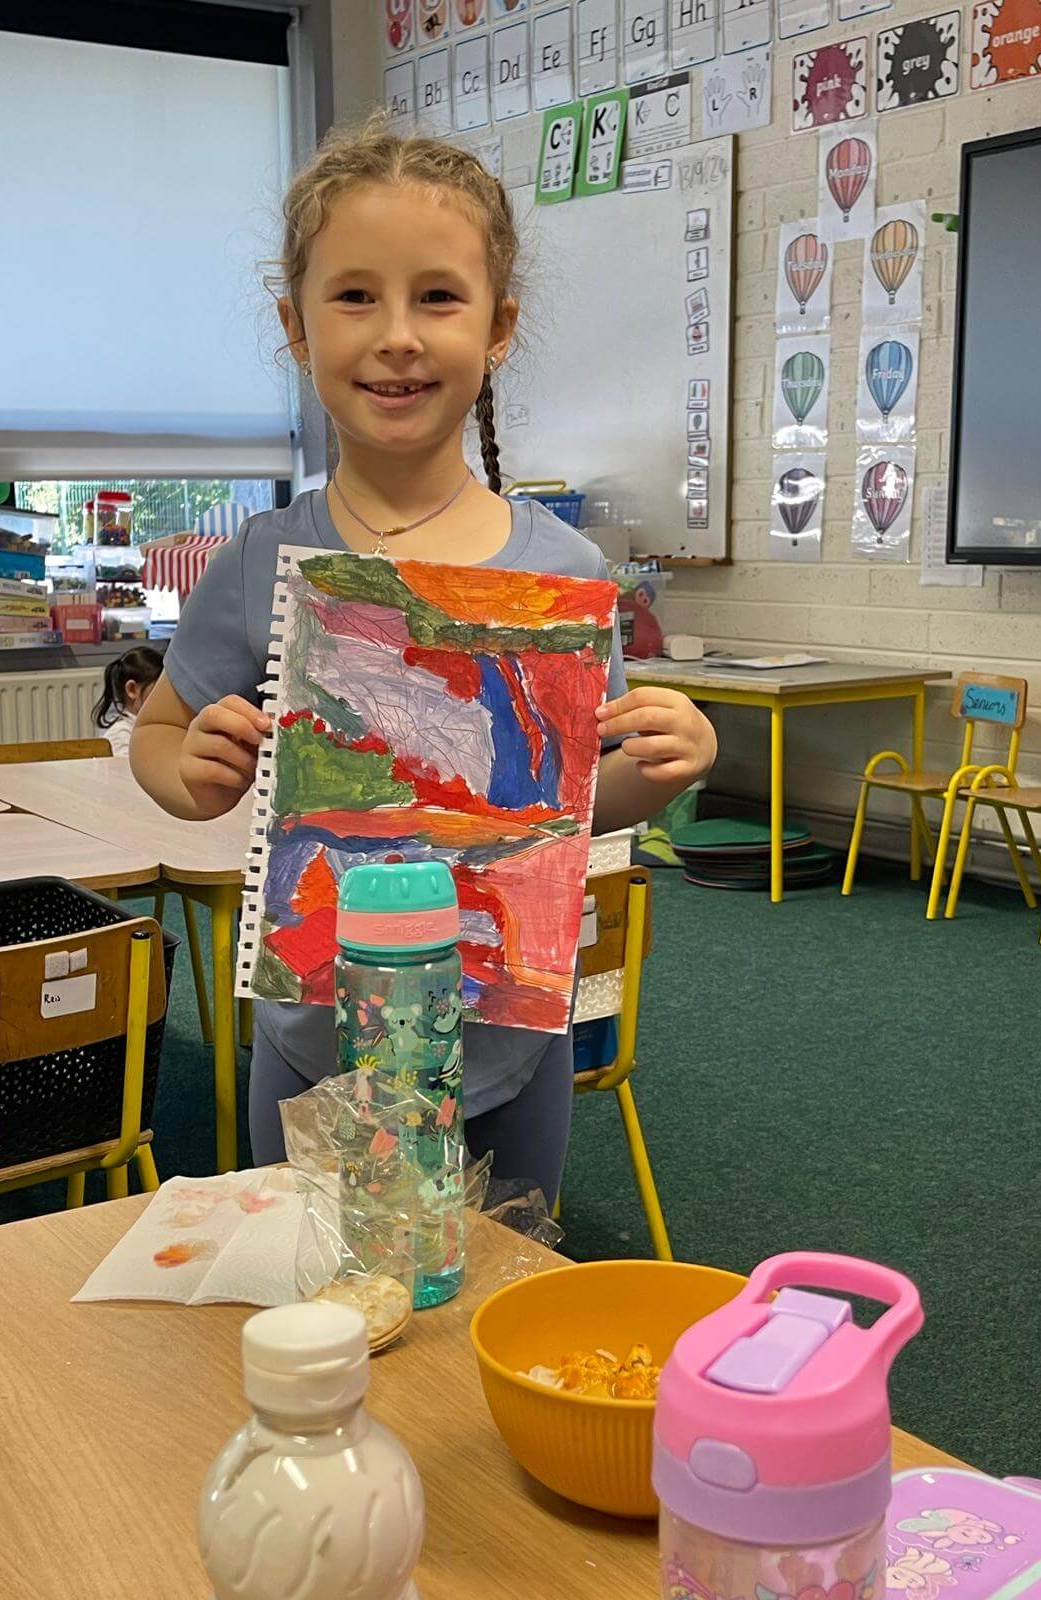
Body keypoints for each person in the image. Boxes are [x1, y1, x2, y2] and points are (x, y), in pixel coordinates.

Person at [131, 119, 717, 1204]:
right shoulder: (261, 558)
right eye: (354, 296)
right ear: (295, 327)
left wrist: (668, 760)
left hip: (509, 1033)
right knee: (316, 1280)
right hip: (314, 1038)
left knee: (500, 1275)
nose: (397, 336)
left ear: (498, 328)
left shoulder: (560, 567)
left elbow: (579, 799)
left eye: (438, 298)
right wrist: (189, 768)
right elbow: (160, 734)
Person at [93, 644, 163, 756]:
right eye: (159, 690)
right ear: (132, 689)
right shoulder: (121, 735)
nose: (165, 698)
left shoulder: (154, 728)